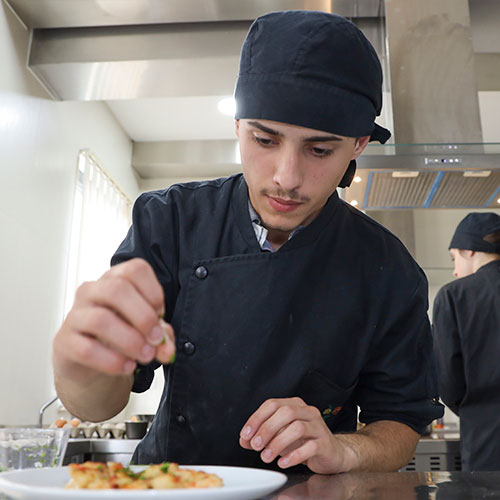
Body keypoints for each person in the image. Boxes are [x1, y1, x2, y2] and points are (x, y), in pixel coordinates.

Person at [53, 10, 443, 474]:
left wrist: (345, 449)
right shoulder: (171, 221)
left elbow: (400, 421)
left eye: (319, 150)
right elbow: (98, 403)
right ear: (238, 125)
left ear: (357, 145)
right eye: (265, 139)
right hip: (174, 486)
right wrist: (79, 365)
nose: (287, 178)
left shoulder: (389, 270)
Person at [432, 212, 500, 471]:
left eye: (454, 258)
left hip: (486, 440)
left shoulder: (454, 295)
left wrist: (477, 412)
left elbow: (448, 381)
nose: (454, 269)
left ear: (470, 251)